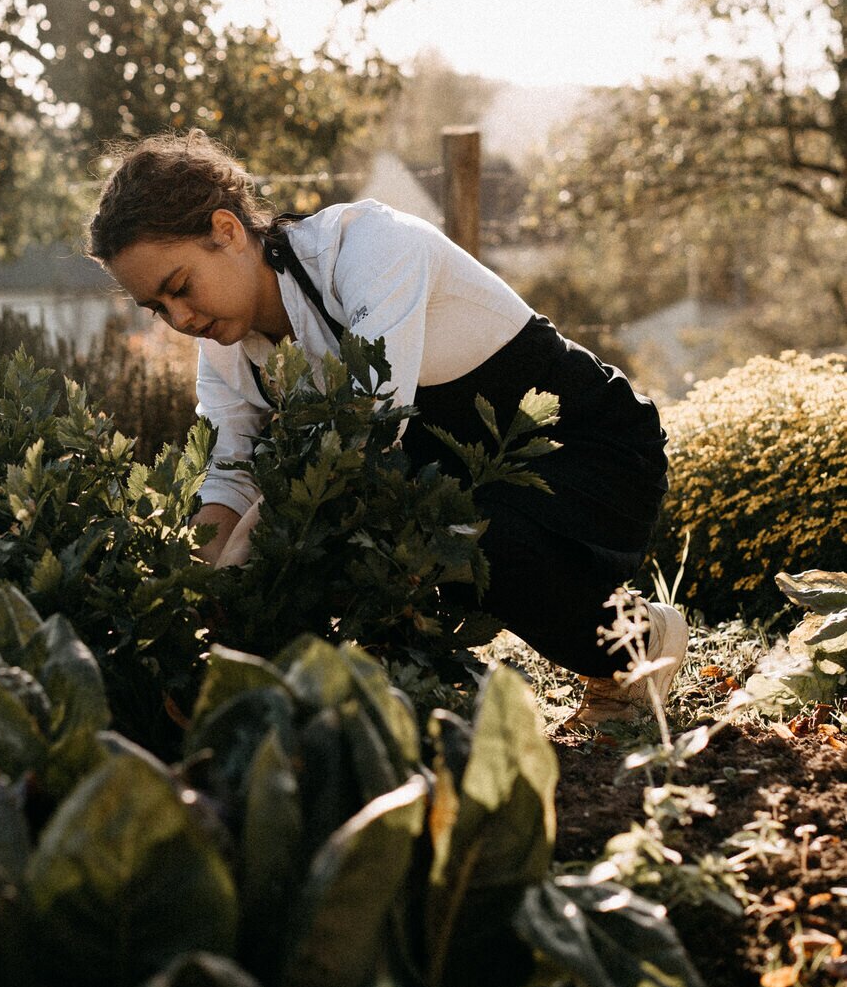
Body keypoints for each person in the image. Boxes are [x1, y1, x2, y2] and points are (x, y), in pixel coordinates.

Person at [86, 128, 688, 728]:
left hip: (591, 454)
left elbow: (366, 427)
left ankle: (641, 641)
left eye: (180, 287)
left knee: (450, 537)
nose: (180, 318)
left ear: (227, 230)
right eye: (158, 308)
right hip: (465, 479)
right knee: (397, 533)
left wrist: (244, 566)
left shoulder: (368, 247)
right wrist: (199, 592)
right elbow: (229, 475)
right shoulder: (225, 351)